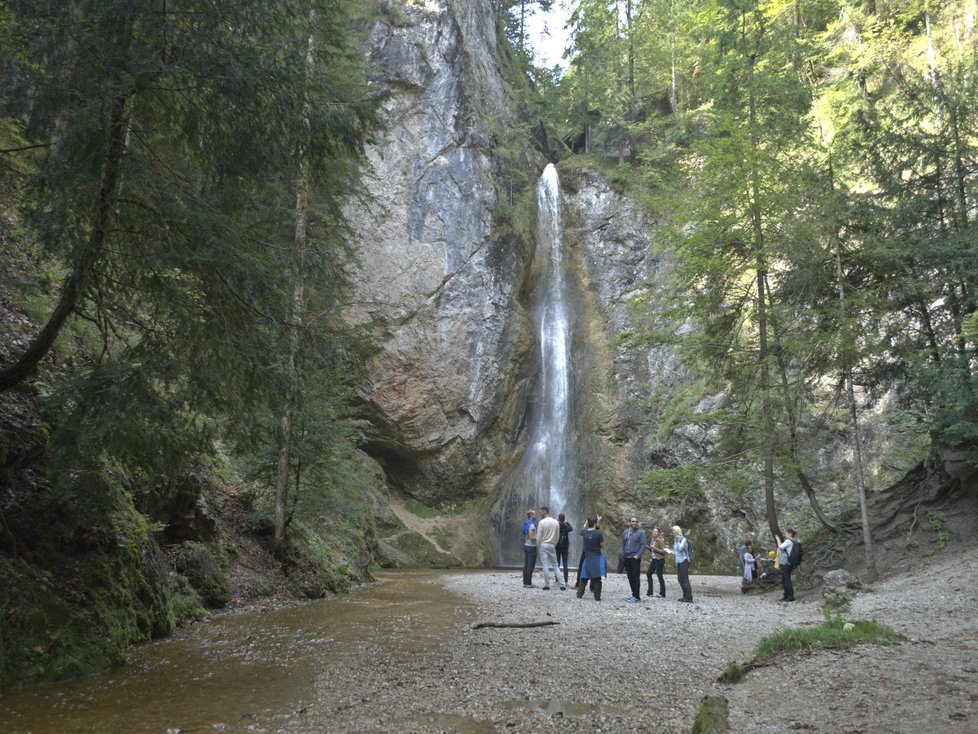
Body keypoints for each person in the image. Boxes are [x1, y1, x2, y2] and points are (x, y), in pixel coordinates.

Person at [576, 517, 606, 601]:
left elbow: (581, 530)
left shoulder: (584, 532)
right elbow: (603, 546)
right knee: (597, 578)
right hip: (596, 557)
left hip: (587, 557)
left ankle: (579, 594)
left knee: (584, 577)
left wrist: (586, 523)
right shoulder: (598, 533)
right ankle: (597, 596)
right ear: (595, 524)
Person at [536, 506, 565, 590]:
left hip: (543, 544)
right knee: (555, 565)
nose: (540, 513)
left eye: (541, 512)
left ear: (545, 511)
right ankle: (562, 585)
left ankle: (547, 585)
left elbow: (539, 537)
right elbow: (557, 536)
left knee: (545, 565)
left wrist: (539, 545)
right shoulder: (556, 522)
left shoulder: (541, 522)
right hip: (552, 545)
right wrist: (554, 544)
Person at [663, 525, 693, 602]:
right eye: (672, 530)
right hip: (678, 561)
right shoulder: (675, 539)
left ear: (677, 531)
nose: (672, 532)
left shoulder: (683, 539)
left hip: (684, 560)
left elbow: (681, 548)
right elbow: (676, 551)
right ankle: (685, 595)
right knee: (680, 579)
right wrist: (669, 551)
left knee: (684, 579)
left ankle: (689, 597)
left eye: (674, 530)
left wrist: (677, 541)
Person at [620, 516, 647, 602]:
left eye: (636, 521)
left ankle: (637, 596)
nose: (635, 523)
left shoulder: (640, 533)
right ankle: (634, 594)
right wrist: (623, 554)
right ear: (629, 522)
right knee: (630, 577)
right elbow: (623, 544)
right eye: (633, 521)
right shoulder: (625, 532)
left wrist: (638, 555)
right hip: (627, 557)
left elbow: (643, 545)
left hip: (634, 558)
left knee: (635, 577)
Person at [775, 528, 797, 602]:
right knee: (785, 579)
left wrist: (778, 539)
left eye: (786, 533)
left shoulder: (788, 541)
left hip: (786, 563)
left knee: (786, 579)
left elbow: (780, 547)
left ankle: (790, 597)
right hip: (790, 562)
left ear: (790, 534)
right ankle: (786, 596)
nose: (785, 534)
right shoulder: (794, 541)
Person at [645, 526, 668, 597]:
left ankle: (662, 593)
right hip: (654, 560)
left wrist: (654, 548)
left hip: (659, 560)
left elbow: (664, 552)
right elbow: (652, 550)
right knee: (648, 574)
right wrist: (649, 548)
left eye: (656, 531)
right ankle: (650, 592)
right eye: (653, 531)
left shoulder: (660, 540)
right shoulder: (653, 540)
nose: (654, 532)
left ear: (658, 533)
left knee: (659, 576)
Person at [521, 509, 537, 588]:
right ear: (531, 515)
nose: (535, 515)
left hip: (526, 546)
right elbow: (531, 537)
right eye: (534, 514)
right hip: (531, 547)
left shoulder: (526, 523)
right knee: (530, 565)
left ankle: (525, 582)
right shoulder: (531, 525)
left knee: (526, 565)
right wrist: (537, 541)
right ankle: (529, 583)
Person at [556, 513, 573, 585]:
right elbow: (571, 528)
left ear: (558, 518)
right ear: (564, 519)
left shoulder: (556, 526)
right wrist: (566, 522)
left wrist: (556, 520)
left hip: (557, 546)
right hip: (565, 547)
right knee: (565, 564)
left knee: (557, 564)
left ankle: (557, 580)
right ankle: (566, 581)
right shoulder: (566, 526)